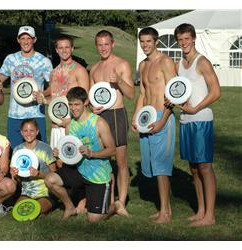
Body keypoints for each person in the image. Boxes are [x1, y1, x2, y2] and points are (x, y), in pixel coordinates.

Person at [45, 87, 116, 222]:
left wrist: (92, 153)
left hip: (97, 175)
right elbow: (70, 153)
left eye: (76, 104)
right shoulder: (70, 126)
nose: (73, 108)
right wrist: (60, 154)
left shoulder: (99, 123)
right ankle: (70, 207)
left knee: (94, 219)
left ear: (86, 102)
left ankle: (115, 206)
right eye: (70, 105)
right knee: (50, 180)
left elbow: (112, 150)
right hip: (78, 171)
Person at [174, 23, 221, 227]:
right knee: (193, 168)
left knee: (205, 166)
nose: (184, 43)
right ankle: (200, 211)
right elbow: (178, 91)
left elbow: (216, 91)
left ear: (193, 39)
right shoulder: (179, 65)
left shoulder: (202, 62)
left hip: (201, 120)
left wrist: (196, 108)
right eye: (180, 39)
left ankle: (210, 216)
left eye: (187, 39)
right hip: (185, 120)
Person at [132, 27, 177, 224]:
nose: (145, 45)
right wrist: (135, 117)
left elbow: (176, 94)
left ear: (156, 41)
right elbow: (143, 94)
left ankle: (165, 212)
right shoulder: (142, 65)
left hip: (162, 117)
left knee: (161, 167)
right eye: (142, 42)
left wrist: (163, 120)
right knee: (153, 166)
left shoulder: (165, 62)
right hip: (146, 118)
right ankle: (163, 209)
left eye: (148, 41)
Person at [89, 30, 135, 216]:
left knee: (121, 161)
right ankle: (108, 200)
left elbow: (131, 94)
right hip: (100, 118)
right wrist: (92, 107)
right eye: (100, 44)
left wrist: (119, 82)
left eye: (106, 44)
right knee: (103, 160)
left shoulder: (122, 64)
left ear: (113, 44)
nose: (103, 48)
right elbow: (92, 96)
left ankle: (121, 203)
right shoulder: (94, 69)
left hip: (116, 115)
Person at [0, 26, 53, 150]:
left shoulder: (44, 61)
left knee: (40, 153)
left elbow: (52, 87)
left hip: (36, 114)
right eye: (22, 38)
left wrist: (42, 94)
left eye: (29, 38)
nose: (26, 41)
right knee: (15, 152)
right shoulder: (11, 59)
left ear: (34, 39)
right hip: (15, 115)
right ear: (18, 40)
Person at [38, 35, 89, 149]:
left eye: (67, 47)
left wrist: (71, 122)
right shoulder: (53, 72)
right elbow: (55, 97)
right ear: (56, 50)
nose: (64, 50)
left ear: (72, 48)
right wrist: (44, 99)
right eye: (60, 48)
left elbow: (85, 100)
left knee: (75, 161)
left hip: (74, 124)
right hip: (56, 125)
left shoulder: (80, 70)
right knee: (57, 162)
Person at [10, 119, 57, 215]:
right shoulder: (17, 150)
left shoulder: (45, 148)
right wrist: (15, 176)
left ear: (37, 131)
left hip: (45, 192)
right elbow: (17, 181)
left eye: (32, 130)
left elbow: (55, 174)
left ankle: (49, 204)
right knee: (21, 211)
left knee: (37, 210)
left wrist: (39, 174)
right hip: (27, 192)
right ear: (21, 132)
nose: (28, 133)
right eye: (25, 131)